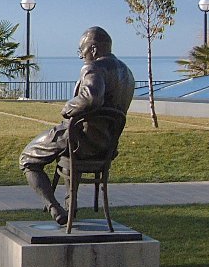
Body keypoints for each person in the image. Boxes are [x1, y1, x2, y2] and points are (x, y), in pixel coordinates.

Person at [20, 26, 135, 225]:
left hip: (81, 140)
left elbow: (91, 99)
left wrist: (68, 107)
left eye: (81, 50)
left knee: (27, 159)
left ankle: (54, 208)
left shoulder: (94, 68)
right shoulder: (127, 73)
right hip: (105, 146)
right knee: (65, 152)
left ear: (93, 49)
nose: (80, 55)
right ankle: (69, 207)